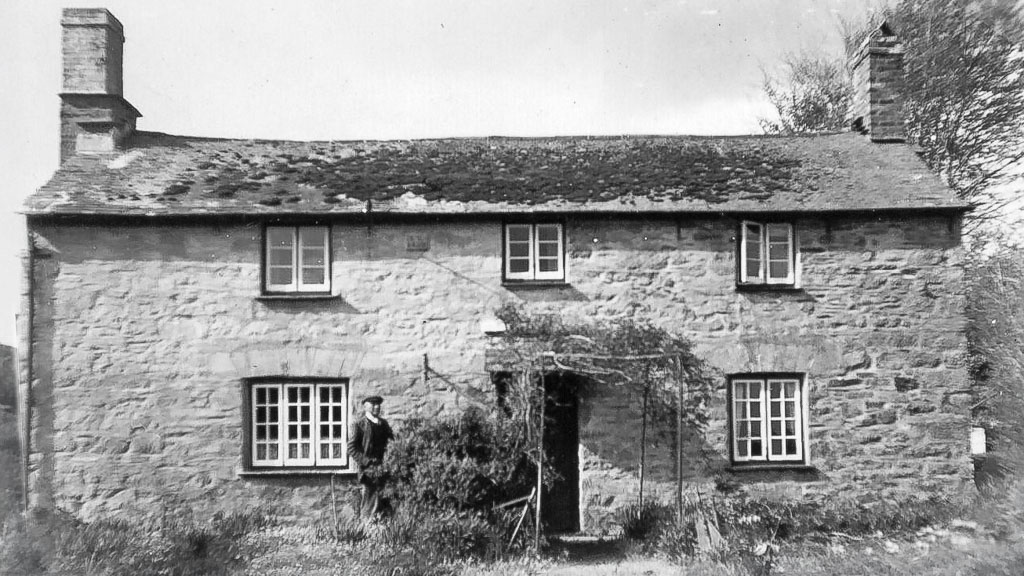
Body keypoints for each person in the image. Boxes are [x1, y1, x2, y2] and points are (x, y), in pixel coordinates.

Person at [348, 395, 394, 519]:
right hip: (368, 470)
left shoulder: (383, 424)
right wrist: (366, 462)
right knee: (369, 500)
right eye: (373, 404)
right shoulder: (359, 424)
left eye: (378, 404)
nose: (377, 406)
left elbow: (392, 441)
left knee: (383, 501)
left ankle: (381, 529)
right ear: (366, 406)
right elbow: (351, 448)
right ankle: (367, 528)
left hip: (384, 467)